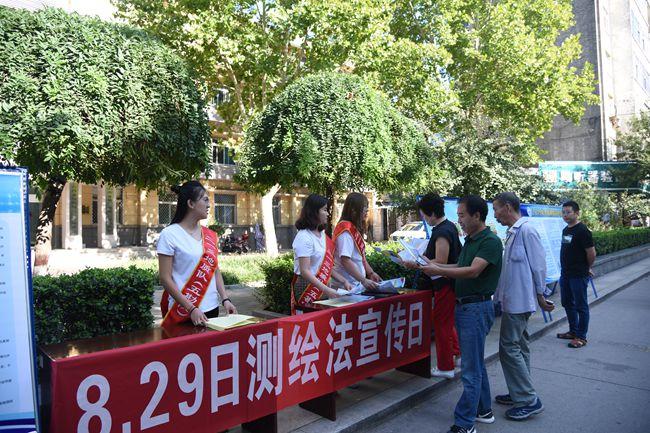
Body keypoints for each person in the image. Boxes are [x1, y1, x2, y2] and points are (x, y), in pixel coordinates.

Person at [420, 195, 503, 433]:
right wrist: (434, 267)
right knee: (475, 363)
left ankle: (465, 423)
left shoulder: (490, 241)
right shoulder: (471, 240)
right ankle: (483, 410)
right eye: (458, 215)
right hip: (466, 307)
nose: (459, 220)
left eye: (462, 215)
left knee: (470, 369)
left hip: (475, 308)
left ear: (477, 215)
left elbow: (473, 271)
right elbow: (459, 266)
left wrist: (438, 269)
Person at [492, 192, 554, 420]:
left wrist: (541, 294)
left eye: (496, 209)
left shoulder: (526, 230)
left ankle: (528, 399)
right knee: (519, 346)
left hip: (520, 302)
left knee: (508, 348)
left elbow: (539, 266)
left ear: (508, 207)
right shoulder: (513, 232)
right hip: (513, 300)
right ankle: (519, 391)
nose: (495, 215)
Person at [157, 181, 237, 327]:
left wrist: (225, 299)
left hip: (211, 309)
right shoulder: (169, 234)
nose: (208, 205)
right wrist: (191, 308)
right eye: (205, 200)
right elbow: (165, 278)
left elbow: (214, 269)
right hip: (183, 312)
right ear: (191, 203)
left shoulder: (209, 235)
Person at [403, 193, 462, 379]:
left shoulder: (441, 232)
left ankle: (446, 366)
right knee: (447, 321)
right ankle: (457, 354)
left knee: (441, 324)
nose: (424, 219)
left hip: (444, 283)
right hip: (448, 283)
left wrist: (416, 263)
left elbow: (440, 262)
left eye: (424, 215)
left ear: (433, 213)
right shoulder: (449, 226)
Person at [291, 194, 352, 314]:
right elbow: (305, 271)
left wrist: (343, 281)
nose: (327, 214)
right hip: (307, 288)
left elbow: (325, 266)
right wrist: (326, 289)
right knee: (309, 321)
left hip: (323, 285)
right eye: (324, 210)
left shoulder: (322, 234)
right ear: (314, 212)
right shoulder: (304, 237)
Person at [557, 200, 596, 348]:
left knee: (581, 306)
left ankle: (581, 337)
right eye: (563, 212)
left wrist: (587, 267)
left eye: (568, 212)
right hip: (566, 274)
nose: (565, 215)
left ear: (577, 213)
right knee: (567, 302)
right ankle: (573, 331)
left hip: (578, 274)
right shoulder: (566, 230)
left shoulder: (583, 231)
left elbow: (591, 253)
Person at [333, 192, 382, 289]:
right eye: (364, 207)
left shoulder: (353, 228)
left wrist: (371, 273)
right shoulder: (345, 232)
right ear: (353, 210)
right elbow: (345, 261)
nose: (367, 211)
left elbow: (361, 257)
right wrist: (364, 280)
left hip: (356, 284)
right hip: (347, 287)